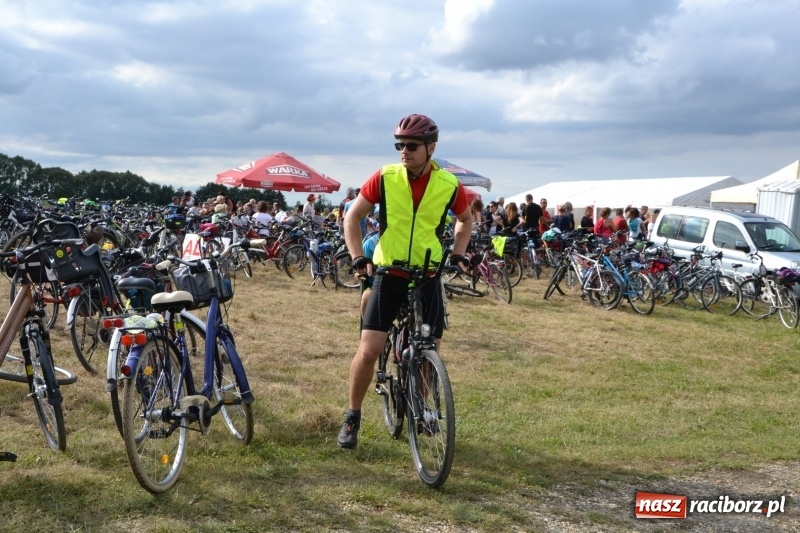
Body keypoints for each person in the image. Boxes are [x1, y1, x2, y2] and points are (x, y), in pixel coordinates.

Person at [337, 113, 471, 449]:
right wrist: (358, 258)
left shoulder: (449, 185)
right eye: (400, 145)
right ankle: (352, 415)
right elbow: (352, 217)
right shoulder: (385, 177)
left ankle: (421, 403)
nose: (404, 151)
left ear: (431, 148)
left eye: (411, 146)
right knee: (369, 350)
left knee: (431, 348)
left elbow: (465, 221)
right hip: (389, 273)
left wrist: (457, 254)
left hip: (427, 276)